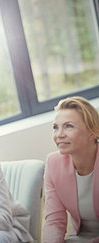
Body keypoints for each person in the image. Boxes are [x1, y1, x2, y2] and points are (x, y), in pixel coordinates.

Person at [43, 96, 99, 243]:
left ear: (93, 132)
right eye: (55, 127)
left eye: (68, 126)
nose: (59, 135)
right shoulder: (53, 163)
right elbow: (54, 221)